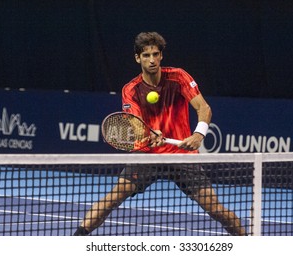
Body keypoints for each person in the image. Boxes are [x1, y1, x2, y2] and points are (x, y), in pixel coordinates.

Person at [73, 32, 247, 236]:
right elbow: (135, 124)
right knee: (114, 197)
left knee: (214, 208)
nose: (152, 60)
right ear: (137, 58)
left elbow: (204, 108)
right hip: (147, 154)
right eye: (146, 55)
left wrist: (198, 135)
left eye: (155, 54)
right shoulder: (131, 89)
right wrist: (148, 133)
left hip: (181, 156)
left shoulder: (179, 77)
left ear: (161, 56)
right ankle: (76, 240)